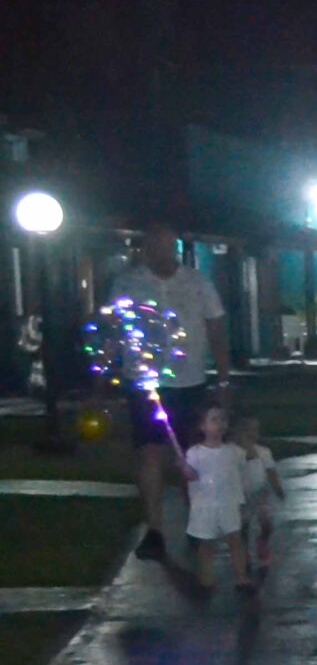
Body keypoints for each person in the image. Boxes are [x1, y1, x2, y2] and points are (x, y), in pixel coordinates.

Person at [107, 224, 231, 562]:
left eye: (167, 246)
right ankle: (155, 530)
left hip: (189, 380)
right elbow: (115, 329)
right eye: (155, 246)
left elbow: (216, 328)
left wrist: (223, 378)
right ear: (146, 249)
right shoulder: (128, 283)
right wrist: (108, 370)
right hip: (144, 381)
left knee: (191, 455)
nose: (162, 253)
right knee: (149, 453)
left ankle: (197, 525)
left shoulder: (197, 283)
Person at [180, 402, 251, 593]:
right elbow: (191, 476)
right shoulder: (195, 453)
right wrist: (185, 469)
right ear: (202, 426)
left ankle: (241, 575)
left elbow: (243, 469)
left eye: (223, 419)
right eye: (214, 420)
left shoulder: (234, 451)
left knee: (235, 539)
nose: (220, 424)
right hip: (205, 505)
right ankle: (207, 576)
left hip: (229, 502)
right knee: (206, 543)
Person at [233, 410, 284, 574]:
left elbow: (271, 472)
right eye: (247, 430)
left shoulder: (263, 452)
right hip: (240, 497)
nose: (252, 434)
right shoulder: (232, 452)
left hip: (261, 494)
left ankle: (262, 542)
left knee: (266, 524)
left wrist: (278, 489)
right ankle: (244, 554)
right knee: (243, 527)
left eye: (255, 429)